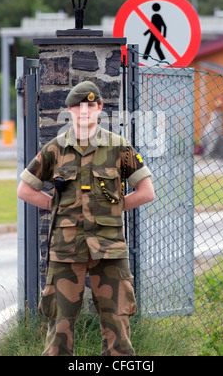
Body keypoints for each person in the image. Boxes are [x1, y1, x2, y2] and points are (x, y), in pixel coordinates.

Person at [17, 81, 155, 357]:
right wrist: (53, 205)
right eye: (78, 106)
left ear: (100, 109)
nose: (84, 111)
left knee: (118, 327)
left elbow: (146, 192)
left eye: (91, 106)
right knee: (60, 327)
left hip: (110, 247)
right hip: (67, 249)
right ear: (69, 110)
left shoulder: (118, 147)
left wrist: (116, 207)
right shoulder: (55, 148)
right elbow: (24, 189)